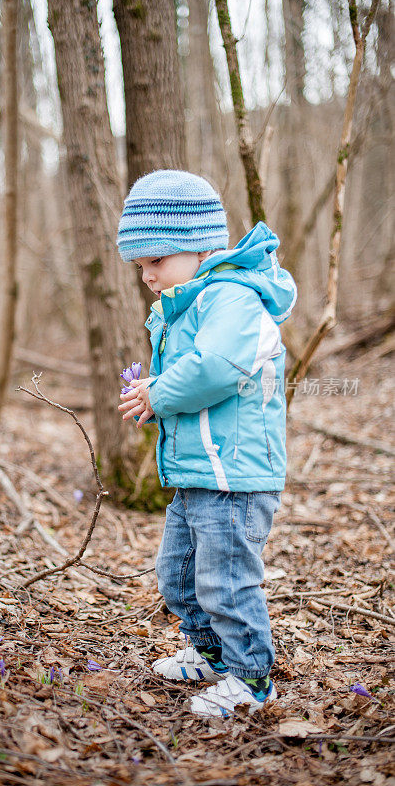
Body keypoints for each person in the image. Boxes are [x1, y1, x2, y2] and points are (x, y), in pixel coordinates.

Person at [117, 170, 296, 719]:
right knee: (177, 574)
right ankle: (213, 654)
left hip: (236, 479)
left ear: (198, 246)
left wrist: (160, 394)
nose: (147, 275)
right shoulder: (191, 303)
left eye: (157, 260)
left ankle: (251, 678)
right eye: (141, 265)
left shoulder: (231, 297)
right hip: (199, 475)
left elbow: (217, 367)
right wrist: (158, 397)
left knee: (226, 581)